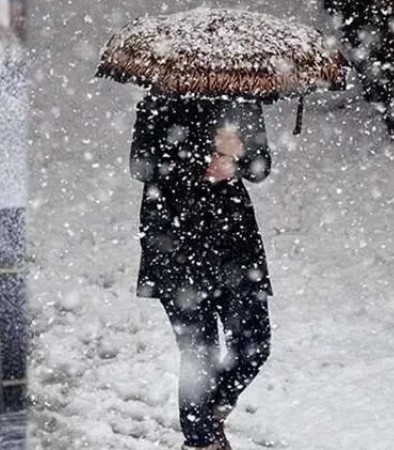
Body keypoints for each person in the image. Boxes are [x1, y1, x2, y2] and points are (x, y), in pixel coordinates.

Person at [130, 93, 273, 450]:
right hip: (175, 241)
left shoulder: (241, 95)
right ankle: (200, 441)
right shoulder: (160, 97)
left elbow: (262, 166)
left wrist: (238, 158)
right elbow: (142, 166)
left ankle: (209, 416)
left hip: (234, 243)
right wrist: (204, 156)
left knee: (255, 343)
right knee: (200, 352)